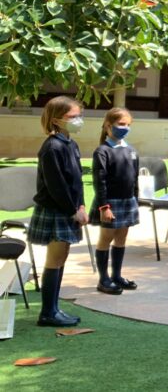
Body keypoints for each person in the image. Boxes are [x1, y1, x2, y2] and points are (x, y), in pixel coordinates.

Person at [27, 96, 89, 327]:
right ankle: (47, 312)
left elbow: (76, 180)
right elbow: (57, 186)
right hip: (56, 210)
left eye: (78, 115)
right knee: (55, 259)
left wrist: (81, 205)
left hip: (69, 209)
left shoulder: (70, 144)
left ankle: (53, 308)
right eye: (72, 117)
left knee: (61, 258)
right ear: (56, 120)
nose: (78, 120)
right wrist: (74, 210)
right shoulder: (52, 147)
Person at [90, 107, 140, 295]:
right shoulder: (102, 151)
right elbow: (99, 180)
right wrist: (104, 206)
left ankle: (116, 275)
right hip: (110, 202)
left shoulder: (131, 150)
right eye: (121, 124)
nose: (125, 128)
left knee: (121, 238)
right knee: (106, 239)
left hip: (127, 201)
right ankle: (103, 279)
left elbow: (134, 178)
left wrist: (136, 199)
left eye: (128, 125)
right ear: (108, 126)